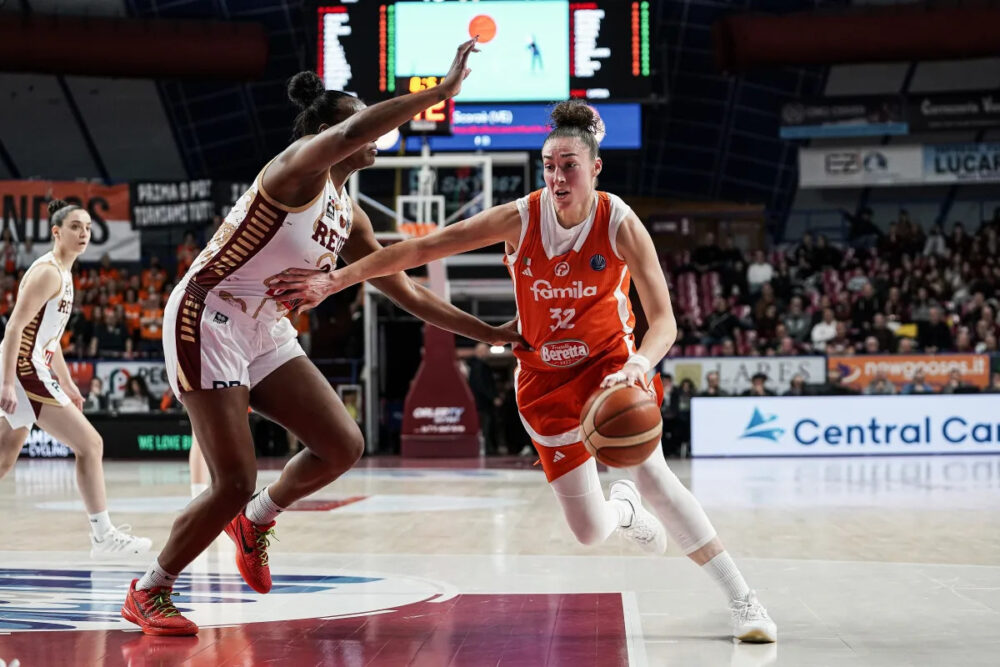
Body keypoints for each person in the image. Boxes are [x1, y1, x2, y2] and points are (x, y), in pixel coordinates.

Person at [271, 101, 777, 643]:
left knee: (655, 475)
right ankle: (622, 510)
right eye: (549, 166)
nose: (557, 177)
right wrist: (335, 280)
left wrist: (638, 363)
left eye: (569, 166)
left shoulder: (620, 222)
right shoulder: (521, 217)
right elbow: (423, 247)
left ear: (595, 167)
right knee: (588, 532)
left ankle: (743, 600)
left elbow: (665, 322)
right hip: (543, 380)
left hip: (610, 368)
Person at [119, 39, 524, 636]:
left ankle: (256, 519)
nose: (375, 134)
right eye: (360, 123)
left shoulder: (350, 214)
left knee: (341, 444)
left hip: (264, 327)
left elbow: (406, 292)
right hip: (207, 316)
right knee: (233, 479)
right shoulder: (296, 170)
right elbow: (355, 129)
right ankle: (150, 589)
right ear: (328, 134)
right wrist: (439, 93)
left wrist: (489, 330)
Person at [0, 200, 152, 559]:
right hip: (23, 370)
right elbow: (13, 329)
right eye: (75, 227)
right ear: (56, 232)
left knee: (4, 457)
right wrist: (6, 383)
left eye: (87, 227)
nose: (83, 233)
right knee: (91, 444)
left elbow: (50, 339)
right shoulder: (48, 273)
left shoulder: (64, 274)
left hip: (31, 367)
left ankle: (103, 536)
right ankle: (103, 536)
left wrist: (67, 383)